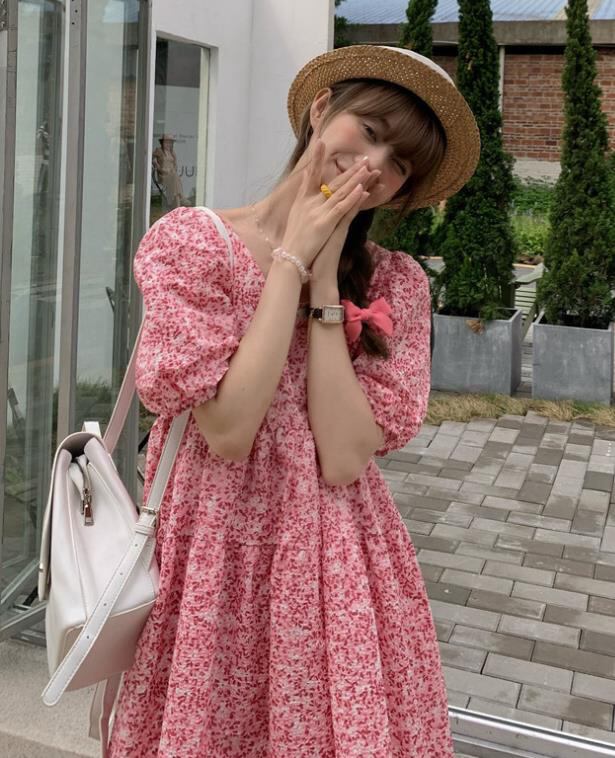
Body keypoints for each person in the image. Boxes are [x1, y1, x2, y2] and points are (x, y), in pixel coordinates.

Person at [108, 45, 480, 757]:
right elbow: (228, 430)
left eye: (398, 165)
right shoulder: (195, 245)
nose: (372, 166)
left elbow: (342, 458)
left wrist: (323, 285)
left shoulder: (395, 283)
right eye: (368, 132)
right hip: (216, 548)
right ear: (321, 109)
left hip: (337, 559)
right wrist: (289, 262)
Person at [152, 133, 186, 209]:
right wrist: (157, 165)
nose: (168, 144)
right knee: (175, 177)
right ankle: (182, 198)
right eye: (166, 142)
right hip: (163, 175)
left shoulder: (172, 152)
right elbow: (151, 158)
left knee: (174, 177)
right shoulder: (158, 150)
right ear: (162, 143)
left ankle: (177, 205)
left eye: (170, 142)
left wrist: (173, 169)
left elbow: (175, 164)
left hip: (172, 175)